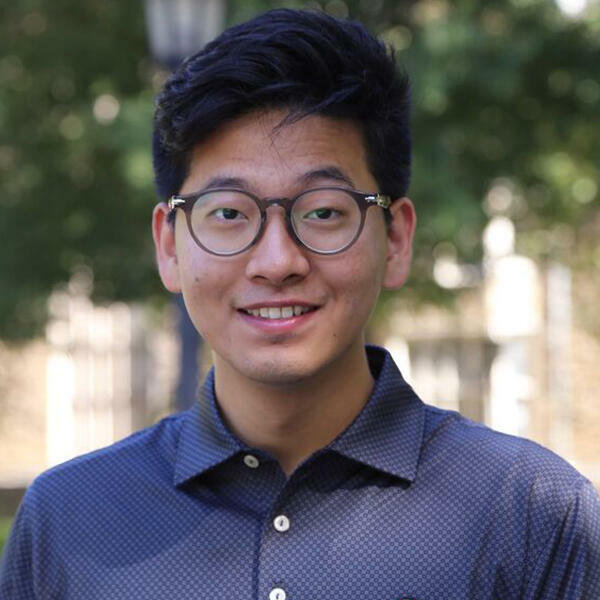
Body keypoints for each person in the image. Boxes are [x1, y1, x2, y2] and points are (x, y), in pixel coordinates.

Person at [1, 8, 599, 600]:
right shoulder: (68, 521)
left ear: (395, 240)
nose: (277, 261)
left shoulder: (532, 516)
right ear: (168, 246)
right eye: (230, 214)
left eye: (323, 211)